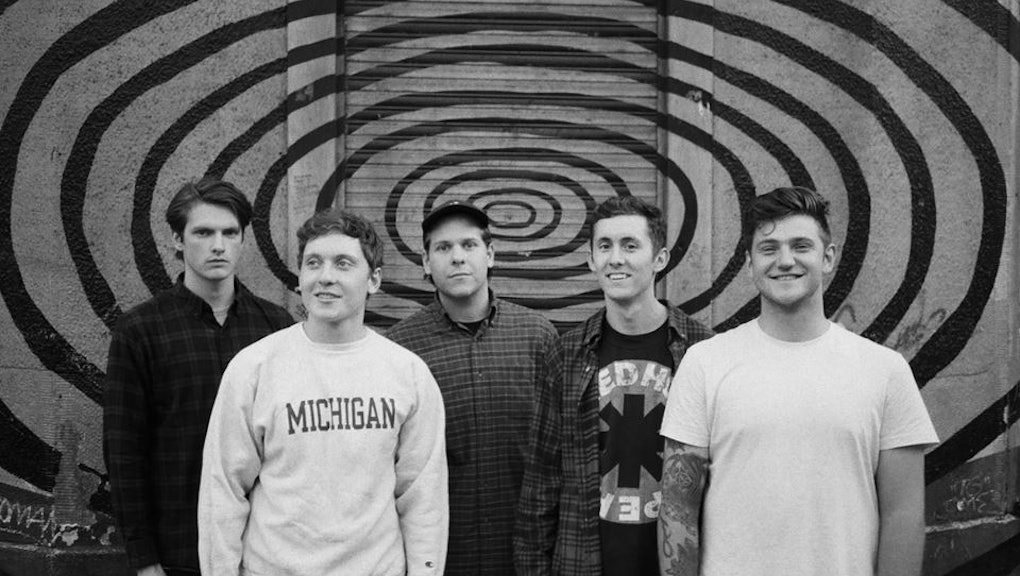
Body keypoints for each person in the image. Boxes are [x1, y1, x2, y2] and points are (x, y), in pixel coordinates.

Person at [658, 186, 938, 576]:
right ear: (750, 263)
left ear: (828, 257)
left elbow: (903, 515)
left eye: (801, 246)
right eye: (769, 248)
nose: (785, 260)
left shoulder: (885, 370)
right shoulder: (705, 363)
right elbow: (677, 510)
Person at [198, 208, 448, 576]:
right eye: (313, 263)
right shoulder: (254, 368)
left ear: (374, 280)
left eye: (343, 263)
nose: (325, 276)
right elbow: (223, 492)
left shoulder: (407, 374)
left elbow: (423, 499)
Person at [102, 178, 293, 576]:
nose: (218, 245)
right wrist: (145, 559)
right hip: (180, 548)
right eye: (203, 233)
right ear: (178, 239)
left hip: (266, 548)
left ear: (243, 239)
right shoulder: (140, 331)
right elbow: (125, 453)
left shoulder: (277, 327)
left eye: (230, 233)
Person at [516, 195, 713, 576]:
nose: (615, 258)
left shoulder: (702, 351)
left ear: (660, 259)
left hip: (675, 562)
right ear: (591, 260)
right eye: (604, 246)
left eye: (630, 245)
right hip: (584, 561)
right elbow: (541, 482)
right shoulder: (566, 354)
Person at [386, 201, 557, 575]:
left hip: (526, 556)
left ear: (490, 254)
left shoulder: (537, 336)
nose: (457, 257)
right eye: (443, 247)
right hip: (442, 557)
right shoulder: (400, 349)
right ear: (426, 262)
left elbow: (558, 454)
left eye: (469, 245)